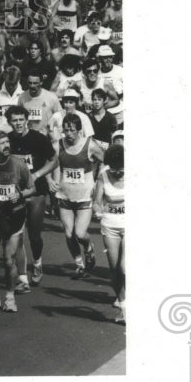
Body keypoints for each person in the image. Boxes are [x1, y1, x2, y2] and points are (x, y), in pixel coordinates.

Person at [0, 130, 35, 313]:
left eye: (7, 142)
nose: (6, 146)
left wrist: (19, 193)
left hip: (14, 214)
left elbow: (31, 189)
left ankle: (10, 297)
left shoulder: (18, 164)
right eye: (1, 143)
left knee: (9, 259)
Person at [48, 114, 105, 279]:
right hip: (64, 194)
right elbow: (46, 162)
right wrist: (50, 179)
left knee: (80, 233)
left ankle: (88, 248)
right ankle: (79, 264)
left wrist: (98, 180)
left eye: (72, 130)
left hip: (85, 195)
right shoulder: (58, 145)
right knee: (68, 233)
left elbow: (105, 161)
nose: (69, 134)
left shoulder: (90, 145)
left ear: (79, 130)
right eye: (66, 130)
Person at [7, 106, 58, 286]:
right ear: (9, 122)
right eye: (14, 120)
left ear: (27, 120)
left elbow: (54, 161)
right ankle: (22, 275)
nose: (18, 124)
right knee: (17, 235)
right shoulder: (8, 139)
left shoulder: (38, 139)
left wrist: (37, 175)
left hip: (37, 192)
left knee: (34, 235)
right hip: (16, 193)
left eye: (21, 120)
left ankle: (37, 263)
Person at [92, 141, 125, 323]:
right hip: (110, 225)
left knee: (124, 266)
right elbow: (97, 201)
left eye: (121, 169)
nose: (117, 173)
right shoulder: (103, 176)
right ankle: (124, 304)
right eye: (114, 169)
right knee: (114, 268)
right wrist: (97, 210)